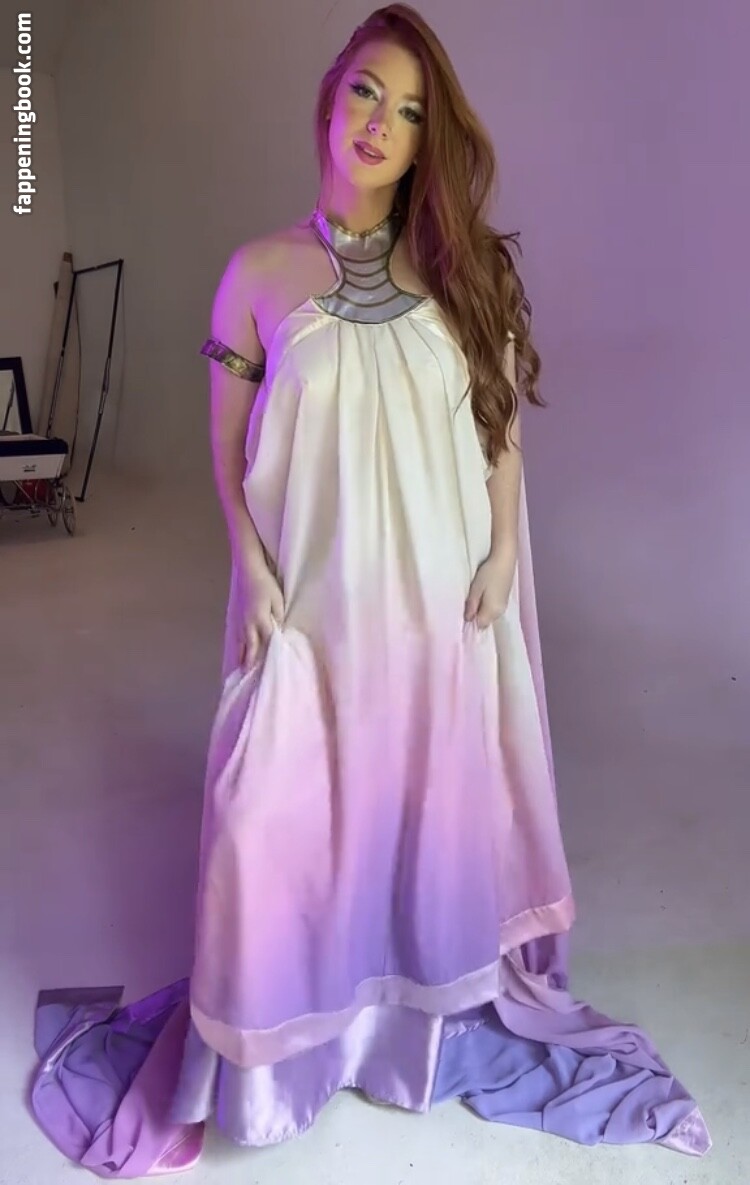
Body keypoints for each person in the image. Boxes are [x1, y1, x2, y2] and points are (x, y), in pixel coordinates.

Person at [29, 5, 709, 1175]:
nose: (380, 123)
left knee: (422, 812)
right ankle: (284, 1044)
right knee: (276, 818)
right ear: (328, 96)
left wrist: (501, 555)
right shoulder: (257, 273)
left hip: (441, 605)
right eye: (364, 91)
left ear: (428, 137)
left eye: (409, 111)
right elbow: (228, 444)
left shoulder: (462, 270)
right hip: (313, 600)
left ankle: (407, 1026)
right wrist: (250, 564)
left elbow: (499, 435)